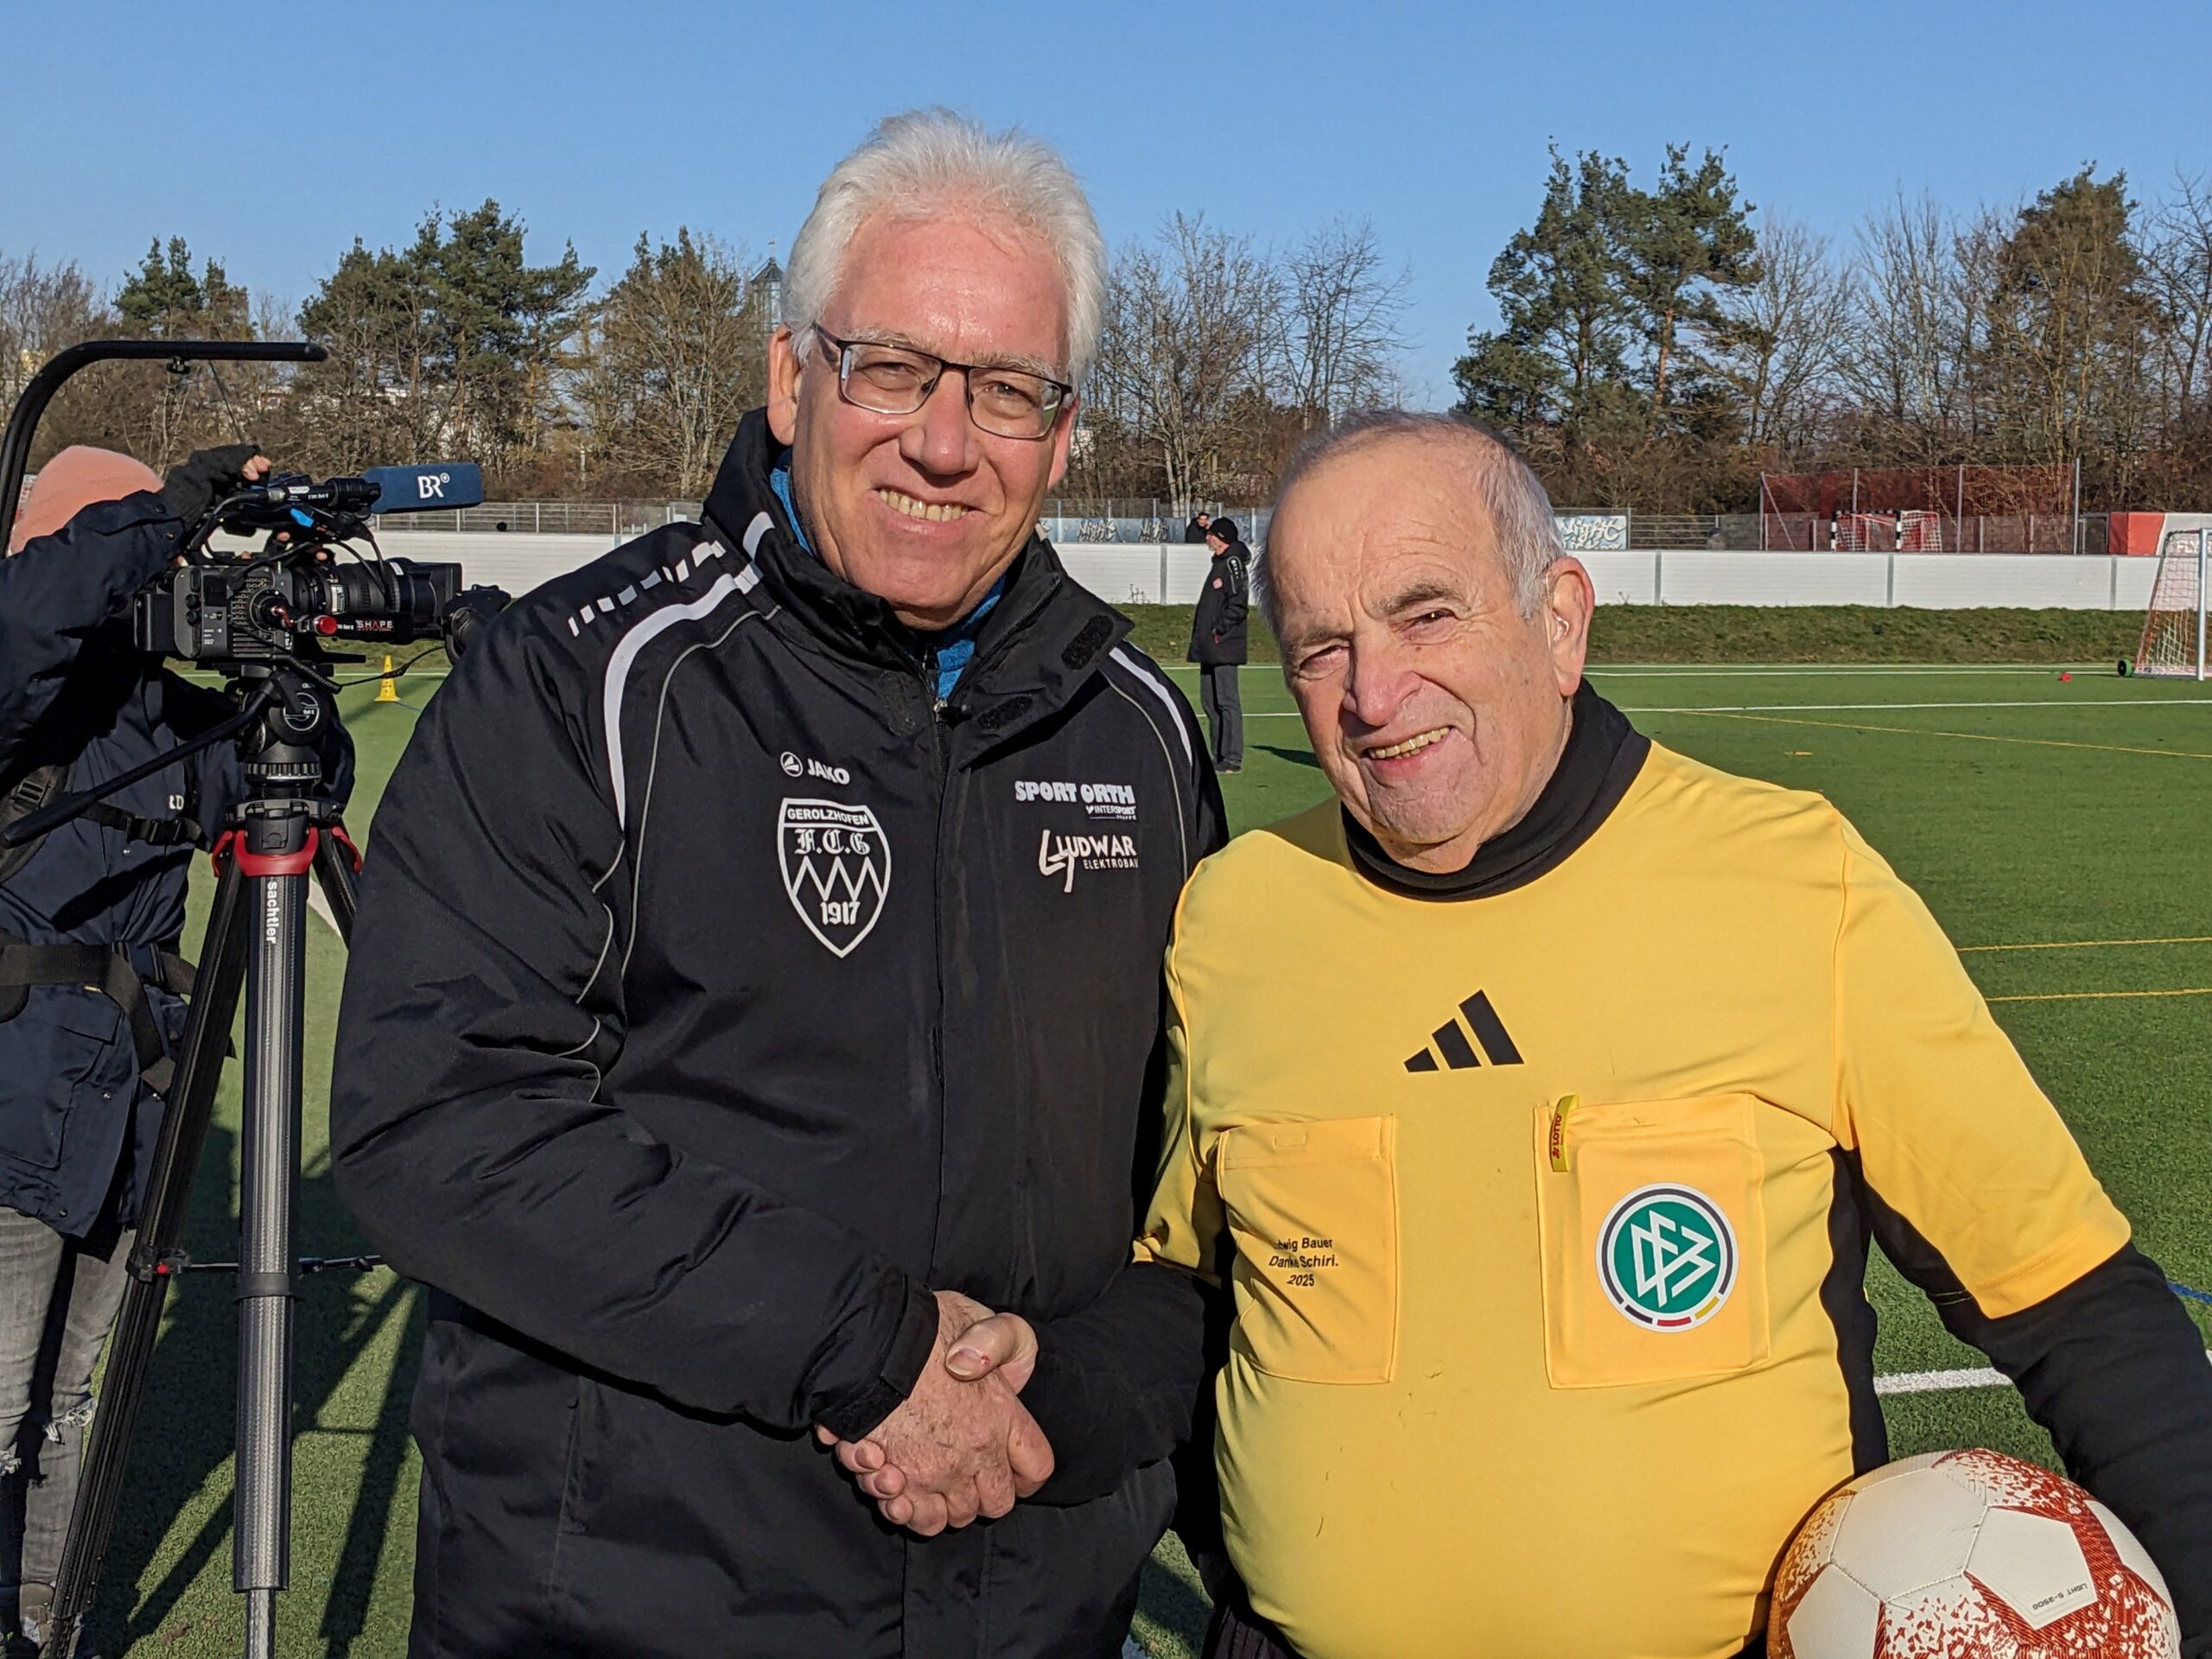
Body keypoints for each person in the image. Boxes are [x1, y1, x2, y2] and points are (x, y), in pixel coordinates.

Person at [329, 111, 1224, 1659]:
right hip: (628, 1616)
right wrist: (871, 1351)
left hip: (1029, 1613)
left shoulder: (1139, 734)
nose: (944, 441)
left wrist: (1064, 1400)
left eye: (1008, 390)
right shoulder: (583, 682)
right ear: (792, 378)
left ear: (1066, 434)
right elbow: (439, 1119)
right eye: (893, 368)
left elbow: (1212, 1193)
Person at [1134, 411, 2212, 1659]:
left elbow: (2075, 1307)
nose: (1373, 695)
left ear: (1560, 622)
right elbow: (1184, 1295)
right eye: (1322, 648)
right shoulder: (1235, 918)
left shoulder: (1797, 884)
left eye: (1425, 616)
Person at [0, 444, 302, 1657]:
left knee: (66, 1405)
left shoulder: (178, 720)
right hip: (16, 1111)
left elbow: (300, 780)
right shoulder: (23, 697)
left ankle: (45, 1624)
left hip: (130, 1122)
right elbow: (31, 610)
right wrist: (168, 510)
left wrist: (288, 661)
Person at [1187, 518, 1249, 773]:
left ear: (1221, 537)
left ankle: (1232, 757)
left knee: (1226, 701)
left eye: (1211, 534)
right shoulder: (1219, 564)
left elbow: (1238, 605)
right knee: (1210, 702)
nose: (1207, 538)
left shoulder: (1232, 564)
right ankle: (1218, 755)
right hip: (1209, 647)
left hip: (1224, 645)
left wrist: (1219, 629)